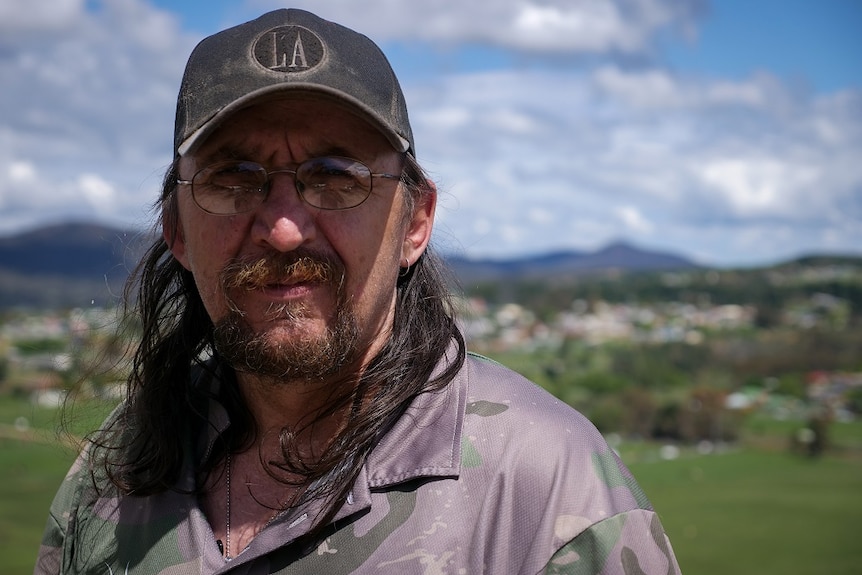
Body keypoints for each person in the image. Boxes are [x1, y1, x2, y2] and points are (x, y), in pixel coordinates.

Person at [35, 8, 681, 575]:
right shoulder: (114, 479)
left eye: (336, 175)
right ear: (175, 227)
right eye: (233, 177)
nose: (284, 228)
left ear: (416, 221)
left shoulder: (550, 498)